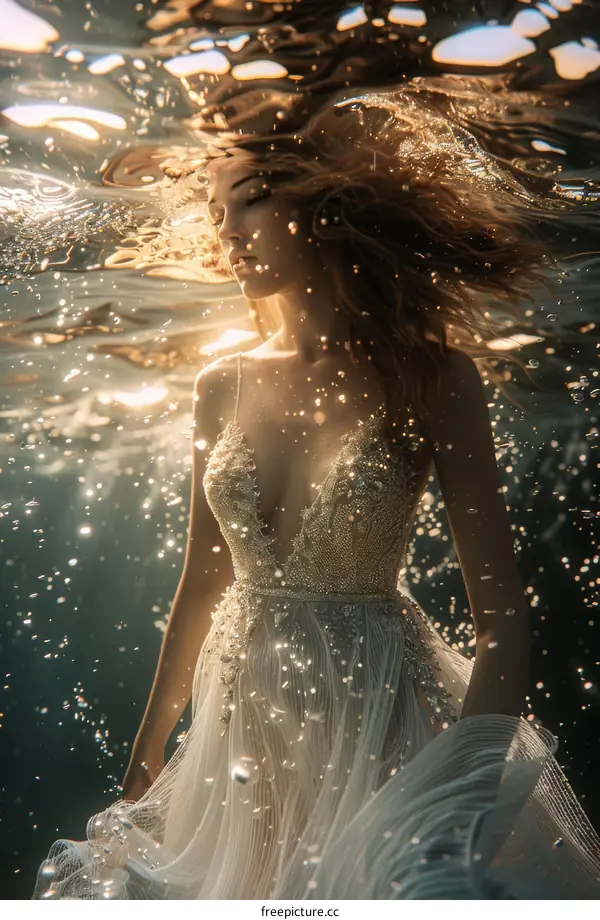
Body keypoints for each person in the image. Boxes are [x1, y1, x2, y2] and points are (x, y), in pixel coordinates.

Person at [33, 92, 600, 900]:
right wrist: (146, 755)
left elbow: (503, 620)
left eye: (251, 201)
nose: (228, 232)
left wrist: (456, 812)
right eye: (214, 210)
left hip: (382, 722)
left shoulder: (434, 376)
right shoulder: (218, 382)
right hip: (241, 731)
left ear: (325, 201)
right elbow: (201, 584)